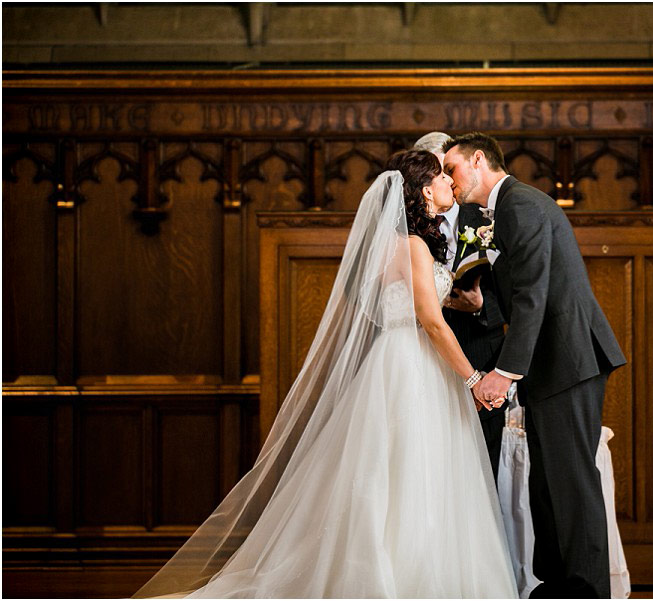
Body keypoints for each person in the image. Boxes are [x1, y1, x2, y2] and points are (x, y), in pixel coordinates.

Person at [132, 150, 518, 599]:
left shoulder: (396, 245)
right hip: (414, 363)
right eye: (440, 177)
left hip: (395, 359)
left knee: (392, 470)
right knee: (416, 469)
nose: (450, 184)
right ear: (423, 191)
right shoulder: (411, 245)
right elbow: (430, 322)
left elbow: (396, 303)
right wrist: (472, 378)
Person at [442, 133, 628, 599]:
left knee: (570, 478)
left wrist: (503, 373)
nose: (448, 180)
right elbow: (520, 292)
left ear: (478, 160)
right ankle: (558, 583)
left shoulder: (519, 205)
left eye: (452, 169)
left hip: (568, 355)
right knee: (547, 478)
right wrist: (482, 305)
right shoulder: (505, 209)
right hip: (555, 359)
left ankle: (584, 590)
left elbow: (533, 294)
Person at [413, 131, 508, 481]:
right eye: (438, 174)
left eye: (448, 171)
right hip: (422, 362)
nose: (448, 181)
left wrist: (482, 306)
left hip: (479, 351)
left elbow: (516, 291)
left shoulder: (487, 219)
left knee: (481, 473)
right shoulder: (405, 231)